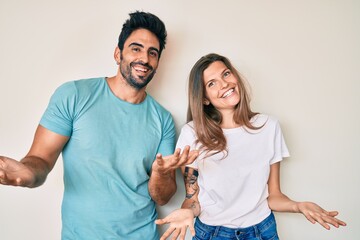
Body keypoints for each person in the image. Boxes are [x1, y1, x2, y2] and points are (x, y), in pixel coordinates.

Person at [0, 11, 198, 240]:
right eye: (136, 48)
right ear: (118, 53)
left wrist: (160, 173)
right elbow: (40, 160)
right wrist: (27, 173)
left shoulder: (162, 119)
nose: (144, 58)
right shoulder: (73, 95)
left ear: (157, 63)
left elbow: (163, 197)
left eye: (152, 53)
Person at [155, 53, 346, 240]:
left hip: (262, 231)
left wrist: (299, 206)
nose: (224, 84)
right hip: (212, 233)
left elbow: (274, 196)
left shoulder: (269, 127)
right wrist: (186, 212)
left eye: (226, 74)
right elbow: (193, 199)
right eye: (211, 83)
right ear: (204, 98)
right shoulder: (193, 133)